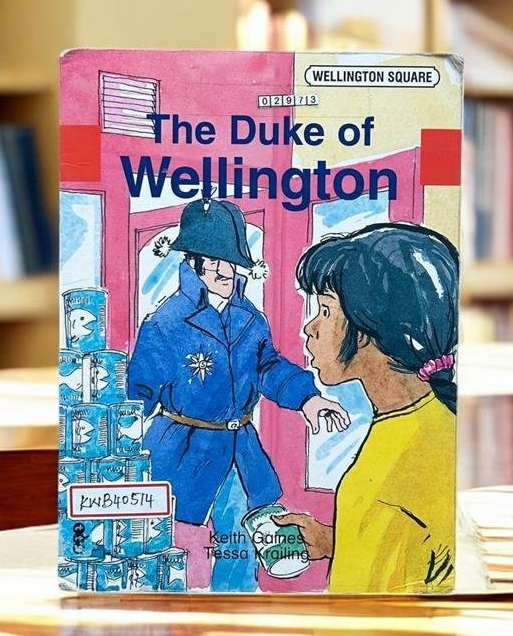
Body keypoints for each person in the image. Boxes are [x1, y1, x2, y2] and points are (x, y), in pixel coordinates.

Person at [127, 198, 350, 591]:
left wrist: (308, 399)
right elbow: (137, 394)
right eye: (213, 260)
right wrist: (120, 446)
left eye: (230, 260)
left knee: (245, 543)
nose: (224, 270)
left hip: (241, 450)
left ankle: (239, 603)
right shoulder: (163, 323)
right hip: (183, 452)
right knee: (174, 545)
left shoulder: (250, 318)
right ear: (193, 263)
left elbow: (269, 368)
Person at [274, 222, 459, 594]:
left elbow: (358, 619)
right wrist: (338, 541)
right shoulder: (438, 419)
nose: (310, 328)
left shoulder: (382, 488)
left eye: (326, 311)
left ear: (365, 329)